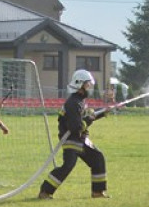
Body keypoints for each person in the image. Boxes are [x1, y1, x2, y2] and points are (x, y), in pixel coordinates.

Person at [38, 69, 114, 199]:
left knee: (97, 158)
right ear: (80, 85)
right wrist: (89, 120)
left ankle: (98, 192)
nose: (90, 88)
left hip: (80, 139)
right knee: (68, 166)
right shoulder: (73, 103)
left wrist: (104, 112)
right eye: (87, 85)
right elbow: (75, 126)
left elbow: (88, 116)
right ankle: (45, 191)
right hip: (71, 141)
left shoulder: (79, 101)